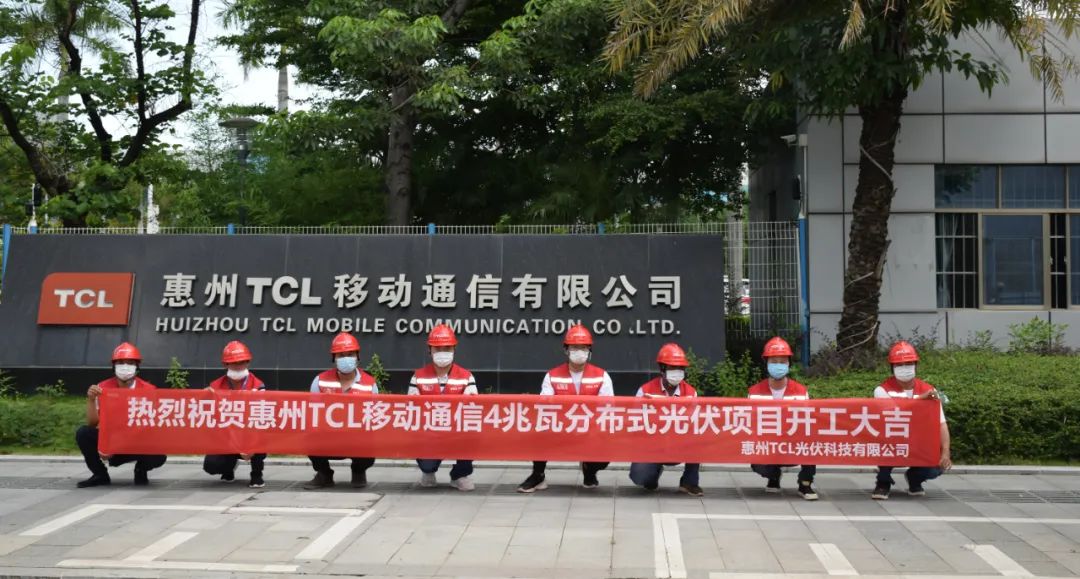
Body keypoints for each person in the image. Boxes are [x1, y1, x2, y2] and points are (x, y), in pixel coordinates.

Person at [517, 324, 614, 493]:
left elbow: (608, 409)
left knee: (606, 450)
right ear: (566, 350)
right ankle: (538, 475)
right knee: (538, 430)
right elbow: (544, 407)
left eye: (583, 348)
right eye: (574, 348)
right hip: (559, 429)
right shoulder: (552, 376)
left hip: (590, 430)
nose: (579, 352)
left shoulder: (601, 376)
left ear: (590, 351)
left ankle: (589, 470)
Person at [75, 342, 167, 488]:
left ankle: (141, 469)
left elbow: (151, 426)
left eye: (130, 363)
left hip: (136, 441)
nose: (125, 367)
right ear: (113, 366)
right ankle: (100, 474)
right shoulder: (102, 388)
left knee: (159, 452)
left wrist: (119, 443)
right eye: (120, 363)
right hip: (111, 440)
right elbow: (92, 423)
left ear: (137, 367)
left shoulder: (148, 390)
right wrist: (91, 400)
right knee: (83, 433)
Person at [871, 341, 952, 500]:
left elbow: (941, 423)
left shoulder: (929, 390)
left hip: (919, 443)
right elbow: (893, 412)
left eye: (909, 363)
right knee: (884, 444)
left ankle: (914, 478)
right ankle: (883, 482)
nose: (905, 368)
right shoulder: (882, 390)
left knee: (936, 467)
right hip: (892, 441)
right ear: (892, 367)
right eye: (899, 364)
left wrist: (945, 451)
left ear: (916, 365)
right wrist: (921, 399)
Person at [303, 332, 378, 490]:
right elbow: (312, 414)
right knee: (309, 437)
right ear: (334, 358)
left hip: (357, 438)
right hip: (328, 437)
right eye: (341, 355)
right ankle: (324, 474)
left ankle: (358, 471)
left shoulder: (369, 384)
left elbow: (375, 417)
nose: (346, 359)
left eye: (350, 354)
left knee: (371, 442)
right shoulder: (320, 381)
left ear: (357, 356)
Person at [747, 336, 819, 501]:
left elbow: (807, 424)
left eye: (782, 361)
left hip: (793, 443)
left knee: (812, 444)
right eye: (774, 361)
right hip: (767, 443)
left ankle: (805, 483)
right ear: (766, 363)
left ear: (789, 364)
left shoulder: (800, 391)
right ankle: (773, 475)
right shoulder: (755, 391)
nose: (778, 365)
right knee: (755, 460)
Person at [409, 324, 479, 491]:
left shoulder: (466, 377)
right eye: (437, 348)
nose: (442, 352)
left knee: (472, 435)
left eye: (447, 348)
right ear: (430, 350)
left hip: (457, 432)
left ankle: (459, 475)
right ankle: (428, 471)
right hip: (428, 432)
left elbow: (473, 409)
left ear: (454, 349)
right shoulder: (418, 377)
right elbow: (411, 409)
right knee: (427, 463)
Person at [628, 343, 703, 497]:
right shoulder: (645, 391)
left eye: (681, 368)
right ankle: (653, 474)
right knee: (640, 477)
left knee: (699, 439)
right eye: (672, 368)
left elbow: (695, 424)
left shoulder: (690, 393)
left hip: (680, 444)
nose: (677, 372)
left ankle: (689, 482)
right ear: (662, 369)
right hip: (652, 445)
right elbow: (635, 421)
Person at [203, 341, 268, 488]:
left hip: (250, 434)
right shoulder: (216, 386)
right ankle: (228, 468)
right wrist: (204, 395)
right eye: (233, 363)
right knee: (211, 465)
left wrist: (250, 445)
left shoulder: (258, 385)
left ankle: (256, 474)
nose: (238, 366)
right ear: (225, 365)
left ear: (248, 363)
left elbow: (261, 419)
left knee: (260, 445)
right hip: (226, 436)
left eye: (241, 362)